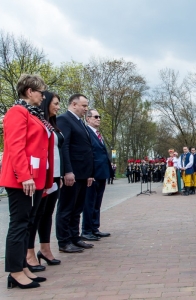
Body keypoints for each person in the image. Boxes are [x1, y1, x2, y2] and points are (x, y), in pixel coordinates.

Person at [0, 74, 54, 289]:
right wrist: (24, 176)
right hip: (21, 179)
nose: (44, 96)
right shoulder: (17, 112)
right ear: (30, 91)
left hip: (35, 179)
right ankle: (14, 271)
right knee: (19, 225)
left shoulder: (33, 114)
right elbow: (15, 147)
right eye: (41, 92)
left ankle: (22, 267)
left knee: (27, 224)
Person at [26, 91, 63, 272]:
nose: (57, 107)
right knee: (35, 214)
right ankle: (29, 253)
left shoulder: (52, 124)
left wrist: (61, 174)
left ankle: (45, 249)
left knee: (47, 214)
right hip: (42, 174)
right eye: (55, 103)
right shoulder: (38, 121)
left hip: (55, 174)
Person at [56, 94, 94, 253]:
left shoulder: (80, 122)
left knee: (77, 208)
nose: (86, 109)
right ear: (73, 104)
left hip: (83, 173)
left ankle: (74, 237)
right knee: (66, 208)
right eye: (84, 106)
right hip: (72, 173)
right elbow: (64, 146)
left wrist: (89, 173)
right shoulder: (64, 119)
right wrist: (67, 171)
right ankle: (64, 241)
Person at [81, 109, 112, 241]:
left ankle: (94, 227)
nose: (99, 119)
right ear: (88, 118)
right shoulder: (86, 133)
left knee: (97, 203)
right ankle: (86, 230)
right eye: (96, 116)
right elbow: (88, 154)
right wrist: (89, 173)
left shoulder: (98, 134)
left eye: (100, 116)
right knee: (89, 202)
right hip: (92, 174)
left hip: (101, 173)